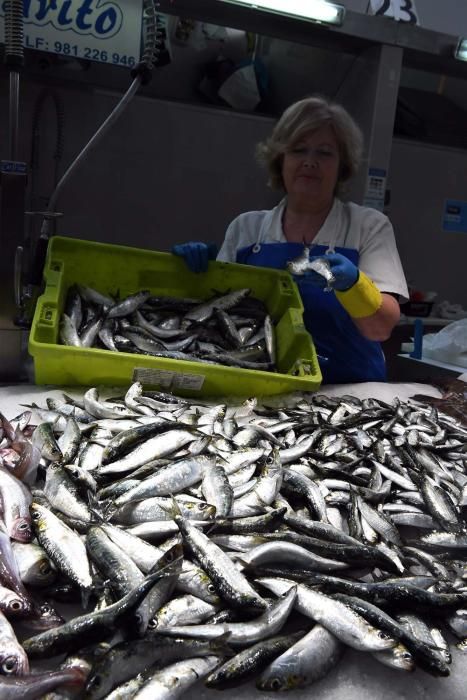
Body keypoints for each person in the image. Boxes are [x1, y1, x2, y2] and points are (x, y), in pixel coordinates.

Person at [172, 96, 408, 384]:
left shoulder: (368, 227)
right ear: (280, 159)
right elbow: (215, 322)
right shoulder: (246, 229)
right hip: (260, 387)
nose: (310, 162)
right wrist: (194, 278)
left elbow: (381, 329)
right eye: (298, 150)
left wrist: (354, 286)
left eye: (324, 153)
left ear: (342, 165)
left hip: (352, 392)